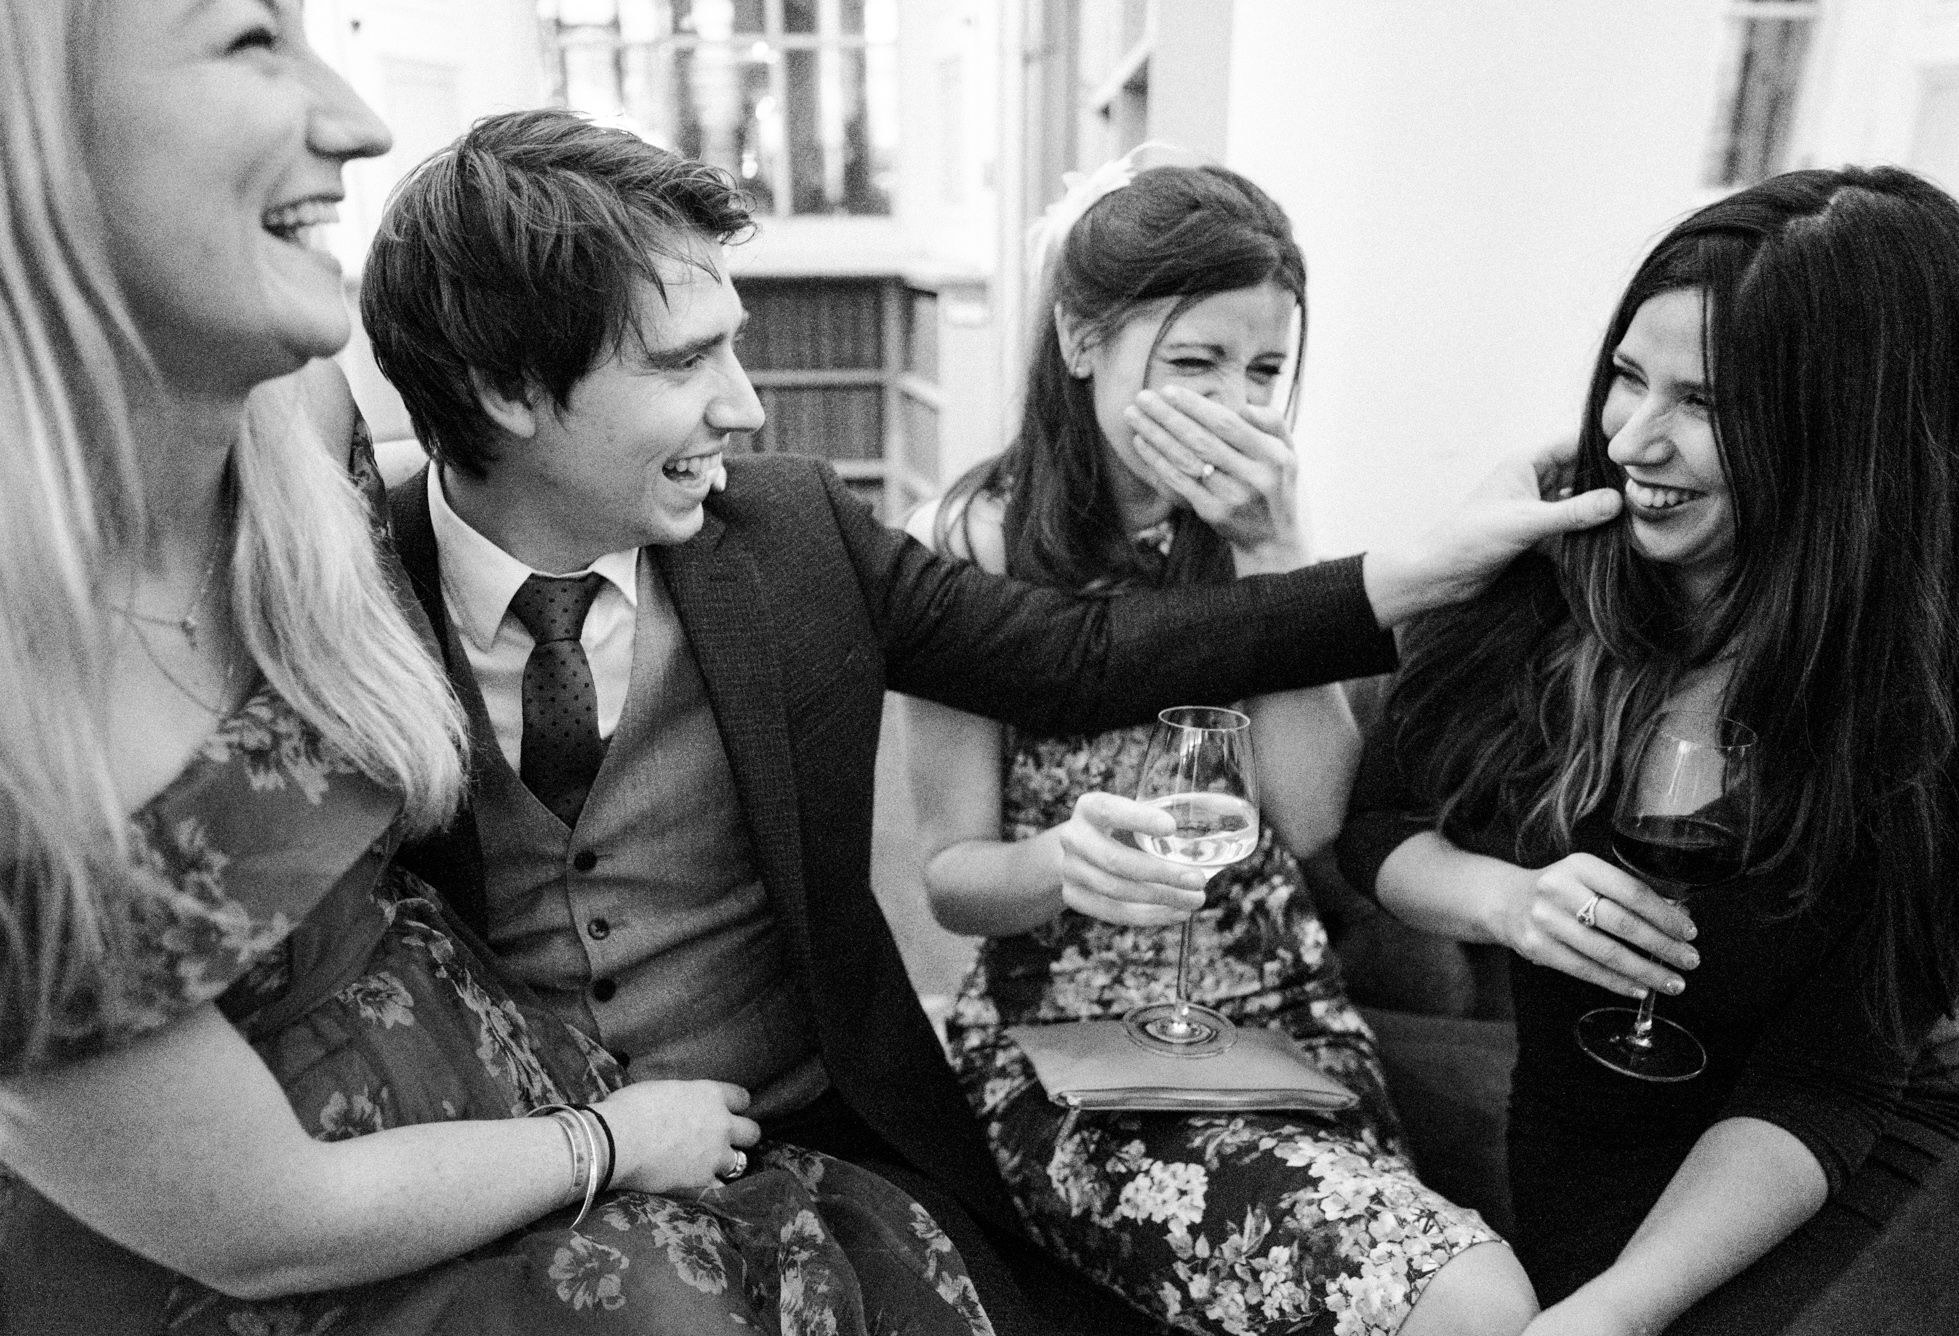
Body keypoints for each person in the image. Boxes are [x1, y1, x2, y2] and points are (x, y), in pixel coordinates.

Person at [359, 108, 1622, 1334]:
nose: (747, 407)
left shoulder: (792, 532)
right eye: (688, 361)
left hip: (813, 1133)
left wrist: (1401, 569)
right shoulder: (349, 592)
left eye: (1264, 368)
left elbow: (1072, 659)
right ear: (506, 389)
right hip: (512, 1172)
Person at [0, 3, 1003, 1332]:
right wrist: (607, 1143)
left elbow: (1061, 646)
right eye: (251, 40)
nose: (356, 121)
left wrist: (1365, 594)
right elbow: (262, 1228)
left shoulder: (292, 425)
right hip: (337, 1257)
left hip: (526, 1108)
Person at [1336, 165, 1959, 1335]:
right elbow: (1377, 829)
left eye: (1702, 402)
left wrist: (1617, 1311)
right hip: (1581, 1155)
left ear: (1845, 431)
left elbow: (1830, 1080)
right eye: (1625, 379)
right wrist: (1505, 900)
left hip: (1818, 1173)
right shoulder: (1549, 548)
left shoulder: (1944, 676)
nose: (1632, 438)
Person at [899, 149, 1534, 1336]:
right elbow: (948, 879)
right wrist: (1059, 863)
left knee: (1440, 1283)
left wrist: (1273, 556)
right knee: (1470, 1299)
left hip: (1280, 1012)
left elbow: (1315, 823)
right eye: (1192, 363)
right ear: (1081, 340)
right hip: (1070, 1037)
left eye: (1263, 370)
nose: (1234, 409)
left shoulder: (1250, 536)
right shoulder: (963, 549)